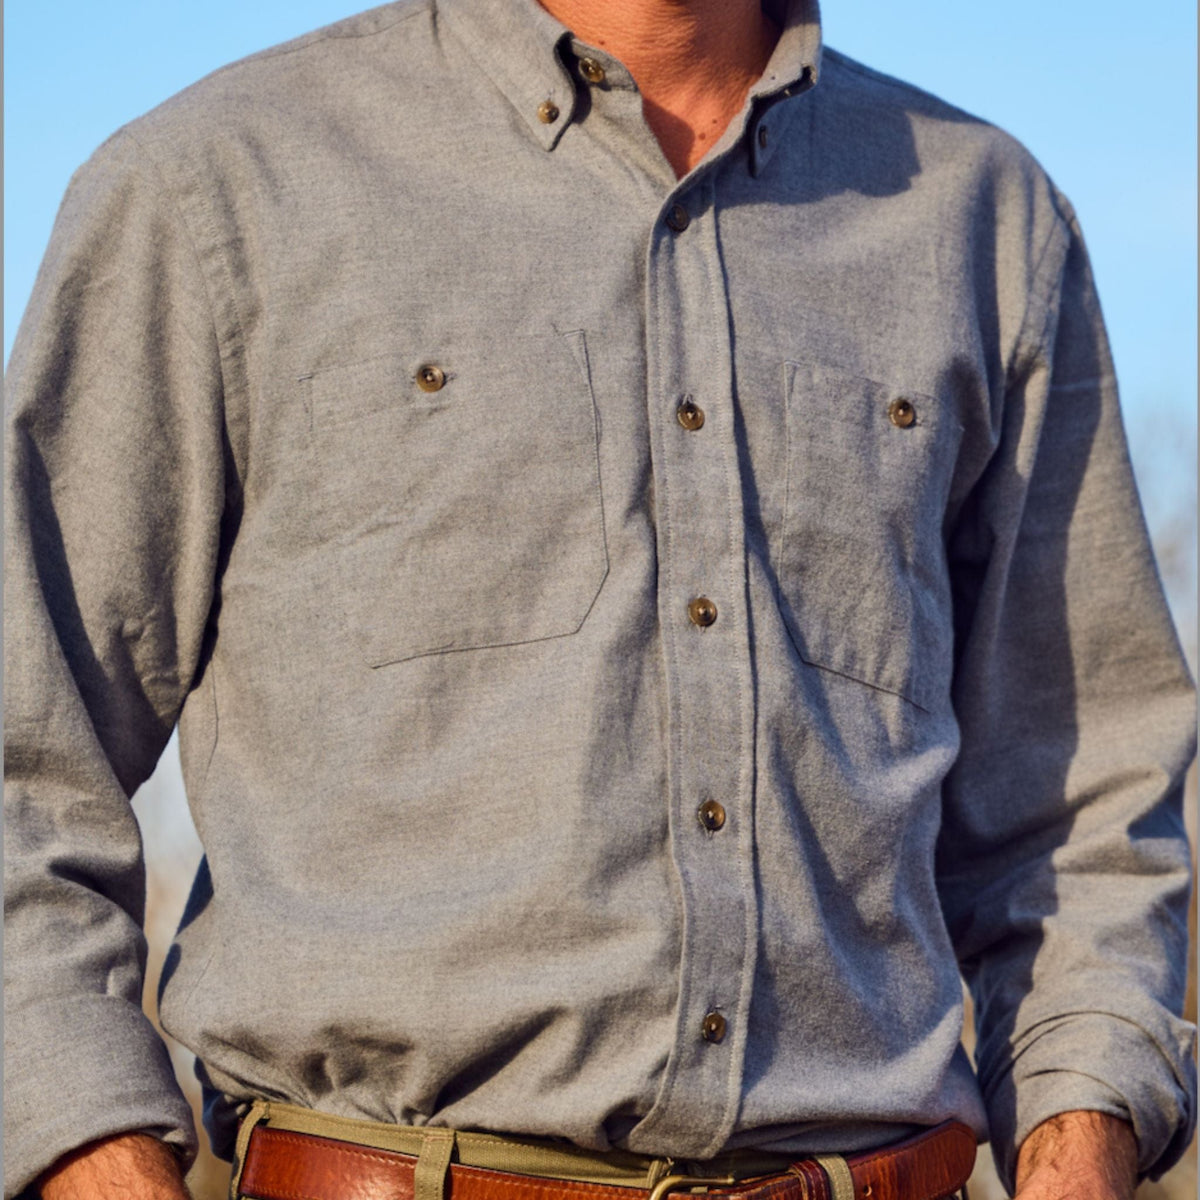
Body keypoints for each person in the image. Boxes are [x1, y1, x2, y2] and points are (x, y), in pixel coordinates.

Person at [4, 0, 1195, 1197]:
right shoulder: (216, 184)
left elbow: (1083, 805)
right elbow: (25, 765)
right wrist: (100, 1160)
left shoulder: (985, 218)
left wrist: (1079, 1150)